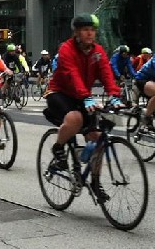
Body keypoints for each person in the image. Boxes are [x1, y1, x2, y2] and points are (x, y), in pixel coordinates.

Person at [43, 13, 121, 200]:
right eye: (86, 30)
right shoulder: (66, 49)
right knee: (75, 118)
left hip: (82, 96)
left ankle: (95, 182)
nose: (90, 33)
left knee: (98, 138)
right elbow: (72, 74)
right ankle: (59, 148)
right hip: (60, 93)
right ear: (77, 32)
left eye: (93, 30)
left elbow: (106, 73)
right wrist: (86, 96)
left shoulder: (98, 51)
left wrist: (115, 94)